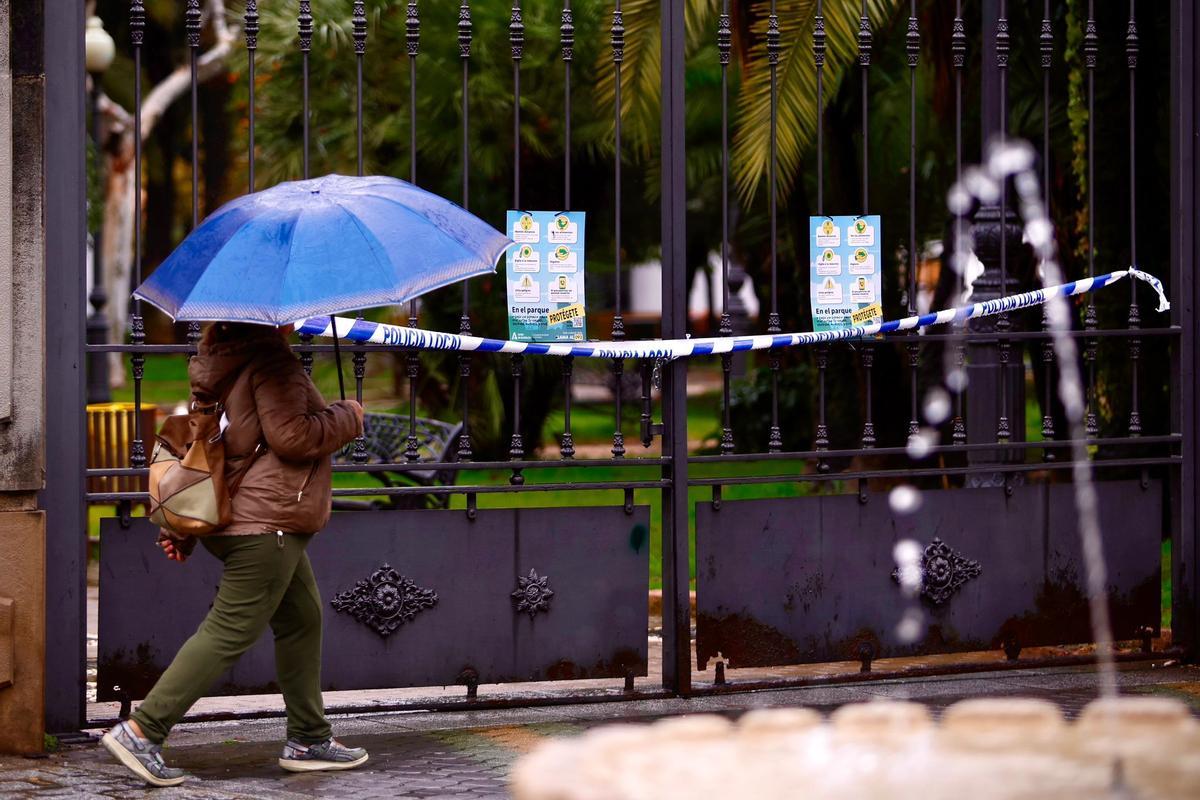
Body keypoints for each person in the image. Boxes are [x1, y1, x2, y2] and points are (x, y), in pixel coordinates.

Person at [102, 322, 366, 787]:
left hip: (235, 515)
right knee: (228, 630)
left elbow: (215, 446)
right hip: (266, 522)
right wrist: (347, 416)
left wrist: (188, 531)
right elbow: (292, 438)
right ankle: (144, 730)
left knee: (302, 618)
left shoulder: (216, 363)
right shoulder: (272, 361)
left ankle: (309, 737)